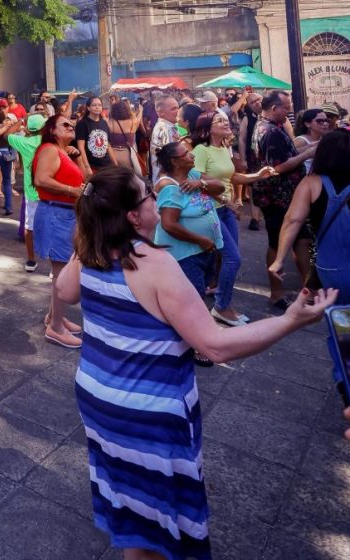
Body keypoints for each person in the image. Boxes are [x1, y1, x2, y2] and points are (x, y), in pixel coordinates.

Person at [55, 164, 337, 560]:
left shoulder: (91, 252)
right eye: (148, 195)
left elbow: (64, 290)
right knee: (162, 525)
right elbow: (215, 346)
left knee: (136, 513)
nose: (155, 198)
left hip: (100, 402)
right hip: (148, 416)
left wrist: (89, 234)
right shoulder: (153, 264)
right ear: (134, 216)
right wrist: (289, 320)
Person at [270, 129, 350, 406]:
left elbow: (292, 221)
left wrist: (279, 259)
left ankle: (346, 382)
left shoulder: (311, 183)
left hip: (333, 270)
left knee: (340, 328)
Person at [190, 112, 275, 326]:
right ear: (207, 128)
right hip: (211, 211)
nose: (225, 122)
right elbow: (197, 180)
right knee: (232, 259)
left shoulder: (222, 148)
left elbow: (230, 177)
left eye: (225, 119)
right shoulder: (201, 150)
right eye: (219, 121)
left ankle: (223, 302)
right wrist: (225, 200)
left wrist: (257, 176)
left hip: (226, 212)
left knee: (230, 259)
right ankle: (221, 307)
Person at [154, 141, 228, 366]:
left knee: (198, 296)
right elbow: (169, 224)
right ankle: (196, 345)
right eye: (186, 154)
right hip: (185, 254)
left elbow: (220, 187)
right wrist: (200, 240)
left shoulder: (192, 173)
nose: (191, 155)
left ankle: (193, 335)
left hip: (204, 249)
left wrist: (200, 183)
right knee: (192, 300)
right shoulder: (169, 187)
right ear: (175, 161)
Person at [252, 90, 318, 310]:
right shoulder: (269, 131)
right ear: (274, 108)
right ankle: (277, 294)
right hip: (276, 197)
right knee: (277, 243)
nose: (289, 111)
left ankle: (309, 290)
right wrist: (306, 155)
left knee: (302, 240)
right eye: (286, 107)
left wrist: (307, 148)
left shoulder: (271, 128)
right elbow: (278, 167)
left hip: (287, 195)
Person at [31, 114, 85, 350]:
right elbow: (41, 179)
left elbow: (86, 179)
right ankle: (56, 328)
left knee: (62, 270)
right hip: (56, 214)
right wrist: (72, 191)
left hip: (65, 214)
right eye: (65, 124)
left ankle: (55, 316)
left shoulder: (64, 151)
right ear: (52, 129)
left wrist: (78, 156)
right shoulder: (49, 150)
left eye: (72, 124)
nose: (70, 126)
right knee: (61, 273)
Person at [7, 113, 46, 271]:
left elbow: (7, 134)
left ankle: (31, 260)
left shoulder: (23, 142)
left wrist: (21, 120)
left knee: (29, 227)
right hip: (49, 190)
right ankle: (54, 261)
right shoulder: (49, 141)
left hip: (32, 191)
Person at [238, 93, 264, 230]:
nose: (257, 103)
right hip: (254, 158)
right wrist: (243, 159)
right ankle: (255, 218)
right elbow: (242, 139)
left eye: (258, 100)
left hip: (271, 157)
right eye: (253, 102)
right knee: (254, 188)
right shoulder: (247, 119)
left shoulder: (273, 115)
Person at [76, 96, 116, 172]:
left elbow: (108, 145)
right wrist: (87, 167)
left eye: (99, 105)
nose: (97, 107)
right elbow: (80, 147)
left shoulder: (104, 122)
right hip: (92, 166)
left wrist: (115, 163)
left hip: (107, 165)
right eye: (94, 105)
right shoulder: (82, 123)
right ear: (88, 107)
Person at [150, 94, 180, 183]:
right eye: (173, 109)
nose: (178, 111)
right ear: (160, 112)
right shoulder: (163, 129)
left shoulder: (169, 126)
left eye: (178, 108)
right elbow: (166, 161)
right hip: (168, 183)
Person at [107, 99, 143, 174]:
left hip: (112, 155)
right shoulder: (133, 122)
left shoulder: (110, 123)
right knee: (128, 177)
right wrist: (141, 111)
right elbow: (138, 119)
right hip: (127, 155)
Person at [293, 108, 329, 173]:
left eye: (326, 120)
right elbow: (290, 160)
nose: (325, 124)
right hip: (306, 180)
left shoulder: (323, 138)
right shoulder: (301, 140)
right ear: (307, 124)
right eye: (319, 121)